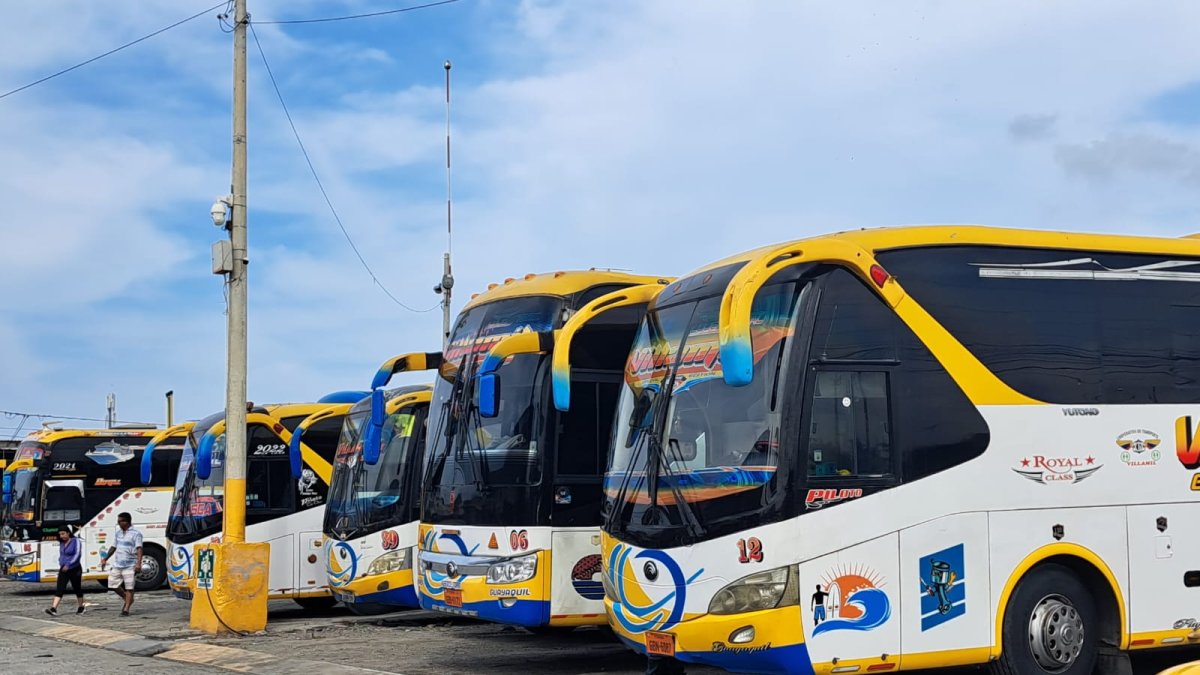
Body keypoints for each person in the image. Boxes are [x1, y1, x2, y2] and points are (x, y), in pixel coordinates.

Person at [100, 512, 142, 616]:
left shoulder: (136, 534)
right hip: (118, 564)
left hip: (130, 564)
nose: (119, 523)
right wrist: (105, 558)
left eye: (121, 521)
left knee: (129, 587)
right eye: (118, 521)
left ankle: (126, 609)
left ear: (127, 522)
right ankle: (126, 598)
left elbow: (139, 549)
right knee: (112, 584)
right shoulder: (118, 533)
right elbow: (113, 547)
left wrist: (138, 564)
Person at [44, 526, 85, 616]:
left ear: (68, 533)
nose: (62, 536)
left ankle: (81, 606)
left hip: (75, 568)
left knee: (77, 587)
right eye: (60, 534)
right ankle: (54, 608)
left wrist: (69, 564)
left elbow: (77, 554)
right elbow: (62, 554)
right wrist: (61, 562)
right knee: (60, 588)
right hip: (63, 568)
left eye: (63, 534)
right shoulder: (62, 543)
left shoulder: (76, 541)